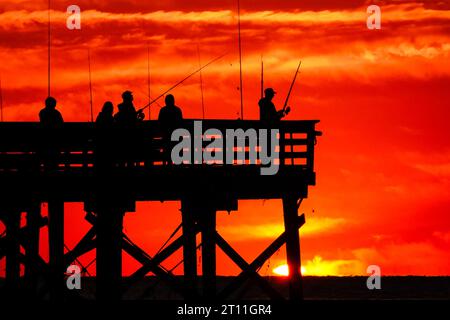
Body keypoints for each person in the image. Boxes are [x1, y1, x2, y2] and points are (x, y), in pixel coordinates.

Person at [158, 94, 183, 165]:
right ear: (173, 101)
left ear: (165, 102)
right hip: (177, 138)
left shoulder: (162, 110)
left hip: (166, 137)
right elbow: (180, 123)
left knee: (167, 149)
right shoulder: (178, 110)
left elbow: (160, 123)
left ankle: (168, 163)